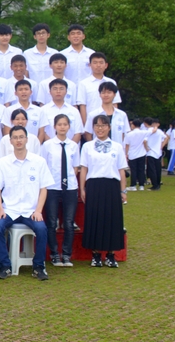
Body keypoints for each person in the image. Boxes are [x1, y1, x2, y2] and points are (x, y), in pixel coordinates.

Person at [0, 126, 54, 280]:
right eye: (15, 137)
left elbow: (43, 189)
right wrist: (0, 209)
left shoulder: (39, 162)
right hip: (9, 209)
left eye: (21, 137)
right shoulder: (3, 163)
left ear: (27, 139)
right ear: (10, 141)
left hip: (30, 211)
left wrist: (38, 210)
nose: (18, 140)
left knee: (42, 229)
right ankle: (5, 265)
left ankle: (38, 267)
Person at [80, 115, 127, 268]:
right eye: (97, 125)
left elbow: (121, 170)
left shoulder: (117, 147)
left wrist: (123, 191)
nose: (100, 129)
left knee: (112, 219)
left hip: (112, 186)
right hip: (94, 185)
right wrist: (82, 188)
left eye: (103, 125)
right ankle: (95, 255)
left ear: (109, 127)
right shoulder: (87, 146)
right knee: (94, 218)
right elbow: (84, 169)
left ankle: (111, 255)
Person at [41, 115, 80, 266]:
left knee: (69, 223)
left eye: (65, 124)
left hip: (70, 187)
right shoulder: (48, 145)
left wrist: (69, 180)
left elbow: (75, 166)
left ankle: (66, 254)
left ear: (69, 126)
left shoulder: (73, 145)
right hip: (52, 187)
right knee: (52, 222)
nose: (62, 127)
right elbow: (43, 166)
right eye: (59, 124)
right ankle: (54, 254)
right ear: (54, 127)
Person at [76, 52, 121, 125]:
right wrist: (86, 125)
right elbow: (82, 106)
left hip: (109, 121)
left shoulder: (112, 82)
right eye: (95, 63)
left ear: (106, 65)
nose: (98, 65)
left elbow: (115, 103)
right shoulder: (83, 83)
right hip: (92, 122)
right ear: (90, 65)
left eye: (101, 63)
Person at [124, 119, 148, 191]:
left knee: (133, 170)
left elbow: (127, 145)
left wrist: (126, 154)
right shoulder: (143, 132)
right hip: (141, 153)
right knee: (141, 170)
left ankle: (133, 185)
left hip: (132, 154)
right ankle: (141, 185)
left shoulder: (129, 134)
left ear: (133, 125)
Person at [144, 117, 166, 190]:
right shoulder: (159, 131)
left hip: (151, 152)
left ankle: (155, 185)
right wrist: (161, 146)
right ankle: (158, 184)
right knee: (158, 169)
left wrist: (146, 148)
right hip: (158, 152)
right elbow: (166, 138)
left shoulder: (149, 131)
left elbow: (144, 141)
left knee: (152, 169)